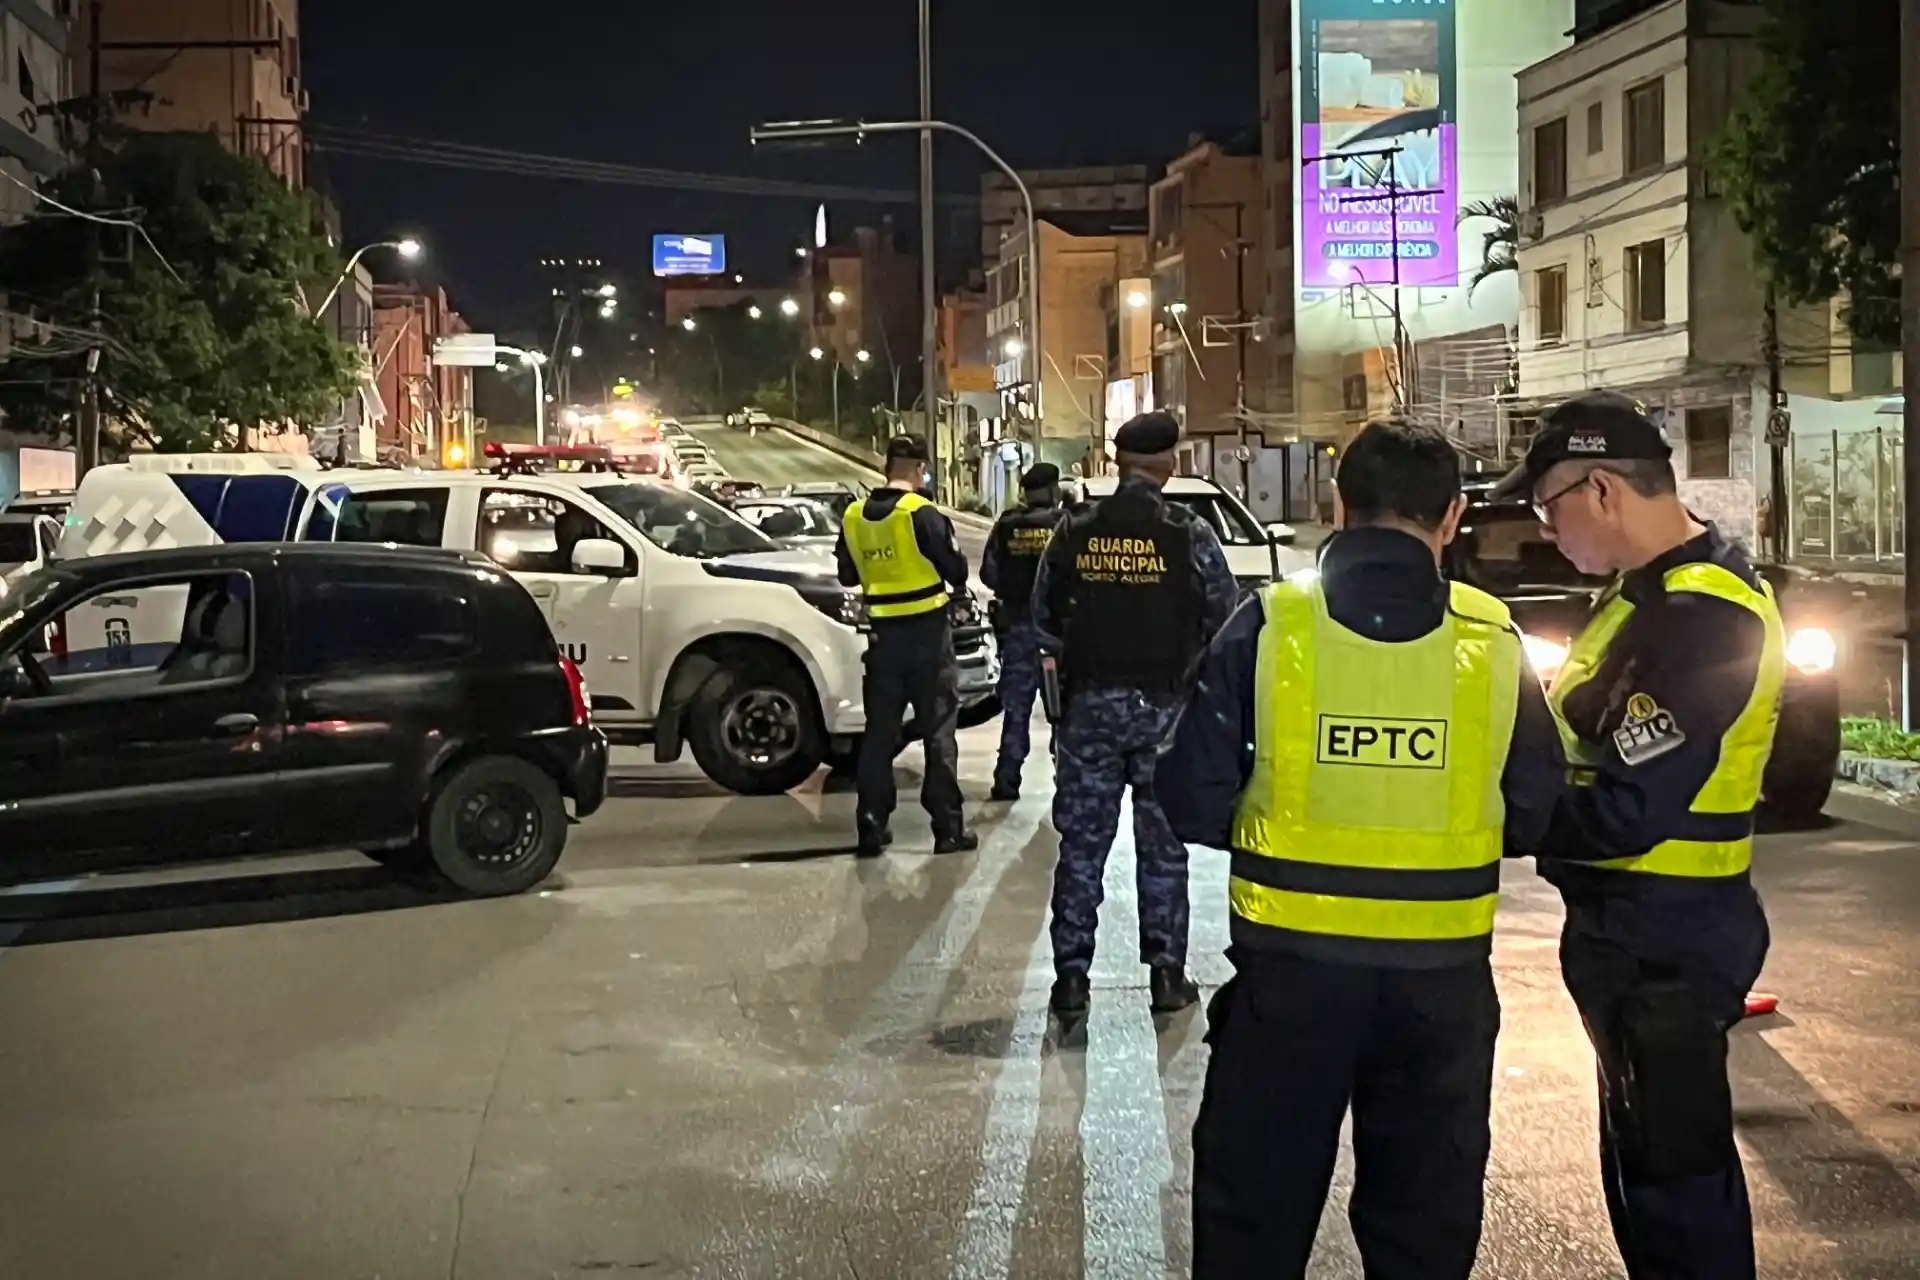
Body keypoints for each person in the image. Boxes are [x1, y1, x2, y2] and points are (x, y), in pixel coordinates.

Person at [1160, 419, 1566, 1279]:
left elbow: (1190, 795)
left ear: (1335, 502)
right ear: (1453, 516)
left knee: (1252, 1225)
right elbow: (1534, 811)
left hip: (1288, 985)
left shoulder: (1272, 624)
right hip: (1441, 995)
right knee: (1424, 1226)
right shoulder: (1492, 641)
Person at [1494, 391, 1784, 1279]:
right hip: (1639, 928)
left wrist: (1495, 821)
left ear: (1604, 489)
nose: (1549, 531)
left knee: (1675, 1180)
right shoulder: (1645, 597)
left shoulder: (1701, 618)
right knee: (1646, 1165)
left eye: (1550, 508)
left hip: (1669, 932)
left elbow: (1627, 806)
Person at [1033, 410, 1239, 1017]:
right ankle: (1167, 977)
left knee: (1081, 847)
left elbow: (1044, 617)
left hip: (1089, 711)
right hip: (1166, 714)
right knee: (1164, 847)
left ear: (1118, 463)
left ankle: (1071, 979)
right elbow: (1224, 615)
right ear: (1169, 463)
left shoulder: (1074, 529)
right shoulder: (1187, 532)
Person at [835, 434, 978, 858]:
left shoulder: (854, 515)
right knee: (938, 732)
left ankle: (871, 824)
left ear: (886, 468)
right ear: (918, 470)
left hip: (882, 637)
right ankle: (947, 828)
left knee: (879, 734)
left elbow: (846, 575)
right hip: (928, 637)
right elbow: (956, 571)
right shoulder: (921, 512)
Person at [981, 461, 1069, 800]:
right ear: (1051, 490)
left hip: (1017, 628)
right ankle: (1064, 777)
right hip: (1057, 634)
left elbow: (989, 574)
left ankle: (1007, 779)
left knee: (1016, 710)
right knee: (1062, 711)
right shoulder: (1064, 525)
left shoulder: (1007, 525)